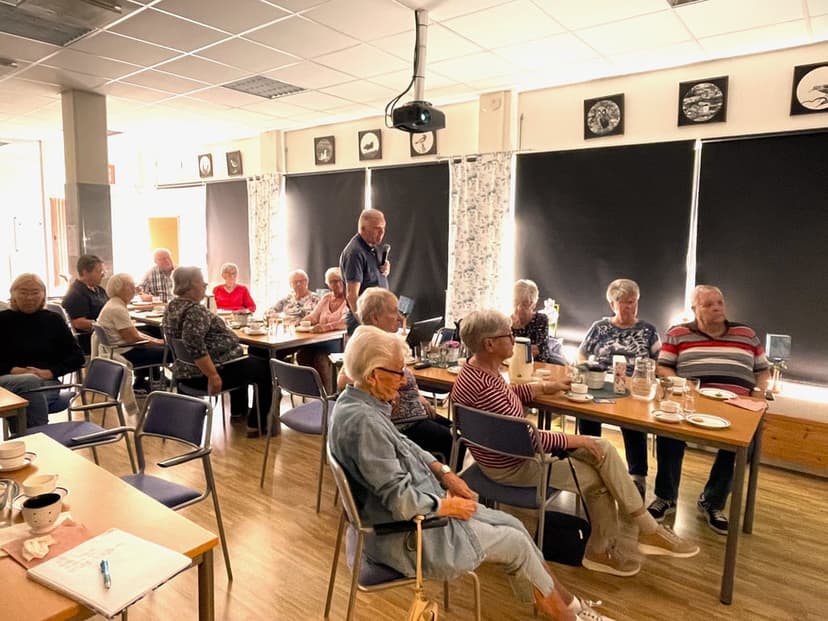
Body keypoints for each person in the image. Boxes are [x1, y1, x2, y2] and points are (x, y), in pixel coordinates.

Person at [330, 325, 615, 621]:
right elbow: (401, 501)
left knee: (514, 526)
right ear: (374, 374)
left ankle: (569, 606)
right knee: (517, 543)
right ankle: (568, 615)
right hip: (411, 536)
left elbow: (402, 443)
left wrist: (443, 470)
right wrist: (447, 505)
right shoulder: (364, 424)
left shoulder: (354, 402)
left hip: (417, 514)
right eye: (398, 372)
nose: (403, 381)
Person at [451, 309, 698, 577]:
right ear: (490, 344)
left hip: (497, 457)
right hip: (514, 467)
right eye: (508, 335)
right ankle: (607, 548)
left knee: (601, 450)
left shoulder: (475, 372)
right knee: (598, 476)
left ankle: (643, 530)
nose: (514, 338)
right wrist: (574, 439)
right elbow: (526, 439)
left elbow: (505, 397)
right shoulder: (487, 384)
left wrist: (544, 388)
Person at [648, 285, 769, 535]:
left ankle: (712, 501)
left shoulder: (746, 333)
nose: (716, 308)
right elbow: (663, 368)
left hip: (738, 404)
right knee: (668, 428)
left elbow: (762, 371)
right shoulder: (678, 333)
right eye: (708, 304)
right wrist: (683, 386)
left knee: (745, 443)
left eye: (720, 303)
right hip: (691, 400)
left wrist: (758, 394)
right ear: (694, 310)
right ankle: (666, 496)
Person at [336, 288, 460, 466]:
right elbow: (343, 380)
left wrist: (417, 394)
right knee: (456, 443)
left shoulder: (384, 340)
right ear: (375, 317)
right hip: (399, 425)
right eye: (394, 311)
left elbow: (403, 375)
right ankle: (449, 487)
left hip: (414, 413)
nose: (399, 316)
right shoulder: (366, 342)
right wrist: (381, 393)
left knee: (457, 432)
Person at [164, 267, 272, 437]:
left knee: (244, 360)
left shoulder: (172, 306)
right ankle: (257, 424)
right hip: (204, 376)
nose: (205, 285)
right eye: (202, 281)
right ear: (191, 284)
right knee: (264, 367)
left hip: (185, 372)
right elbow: (193, 344)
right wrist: (213, 375)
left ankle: (238, 412)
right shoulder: (194, 310)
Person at [577, 278, 660, 499]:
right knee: (587, 415)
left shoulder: (648, 330)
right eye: (624, 302)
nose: (630, 307)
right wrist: (582, 369)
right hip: (601, 384)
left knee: (634, 423)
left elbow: (659, 361)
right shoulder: (600, 327)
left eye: (633, 302)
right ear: (612, 304)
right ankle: (591, 466)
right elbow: (582, 353)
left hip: (634, 388)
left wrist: (646, 378)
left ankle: (637, 478)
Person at [0, 273, 85, 428]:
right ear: (13, 294)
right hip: (6, 382)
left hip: (47, 382)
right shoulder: (1, 320)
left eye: (35, 292)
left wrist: (50, 372)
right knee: (29, 382)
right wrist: (13, 370)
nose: (29, 297)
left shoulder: (53, 320)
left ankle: (22, 438)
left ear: (43, 295)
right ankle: (39, 439)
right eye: (23, 292)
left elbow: (78, 357)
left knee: (27, 397)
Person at [97, 273, 166, 392]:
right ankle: (179, 387)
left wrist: (159, 341)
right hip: (124, 352)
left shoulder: (114, 303)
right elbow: (133, 338)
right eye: (132, 286)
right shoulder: (117, 309)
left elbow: (134, 334)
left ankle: (149, 379)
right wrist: (161, 343)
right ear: (121, 289)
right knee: (171, 352)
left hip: (117, 348)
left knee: (148, 332)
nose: (135, 289)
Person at [295, 267, 348, 390]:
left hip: (339, 340)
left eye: (340, 280)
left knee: (321, 358)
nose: (337, 284)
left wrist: (325, 327)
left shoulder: (348, 299)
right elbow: (314, 316)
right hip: (319, 340)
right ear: (328, 284)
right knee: (302, 355)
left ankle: (328, 394)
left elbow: (346, 322)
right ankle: (314, 390)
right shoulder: (326, 298)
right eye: (333, 281)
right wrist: (302, 323)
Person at [339, 208, 390, 333]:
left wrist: (385, 268)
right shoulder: (355, 252)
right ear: (363, 229)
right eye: (377, 229)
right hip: (364, 321)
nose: (382, 232)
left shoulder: (372, 248)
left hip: (376, 318)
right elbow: (352, 295)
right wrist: (364, 323)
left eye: (383, 228)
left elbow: (372, 276)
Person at [61, 254, 108, 354]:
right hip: (90, 339)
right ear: (85, 272)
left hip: (101, 335)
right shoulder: (76, 294)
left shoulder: (99, 290)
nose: (103, 275)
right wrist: (107, 325)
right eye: (99, 271)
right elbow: (78, 323)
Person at [511, 279, 558, 363]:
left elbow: (543, 354)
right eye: (516, 302)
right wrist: (529, 350)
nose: (519, 308)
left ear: (534, 305)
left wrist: (517, 350)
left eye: (525, 304)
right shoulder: (507, 322)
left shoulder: (541, 319)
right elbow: (504, 352)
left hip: (536, 368)